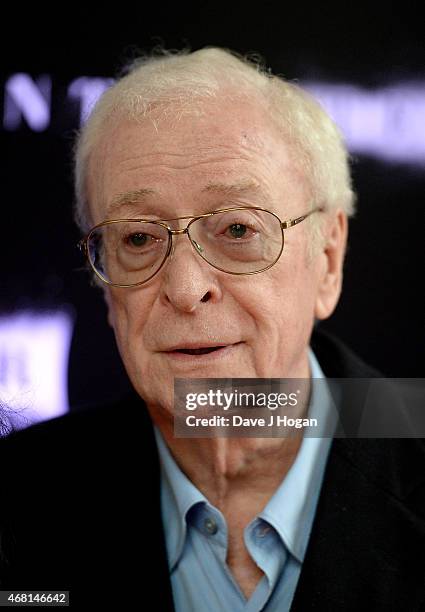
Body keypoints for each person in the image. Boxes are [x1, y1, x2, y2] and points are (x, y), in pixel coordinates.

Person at [1, 47, 424, 611]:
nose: (184, 287)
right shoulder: (17, 496)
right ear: (106, 288)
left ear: (327, 259)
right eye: (138, 239)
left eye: (237, 228)